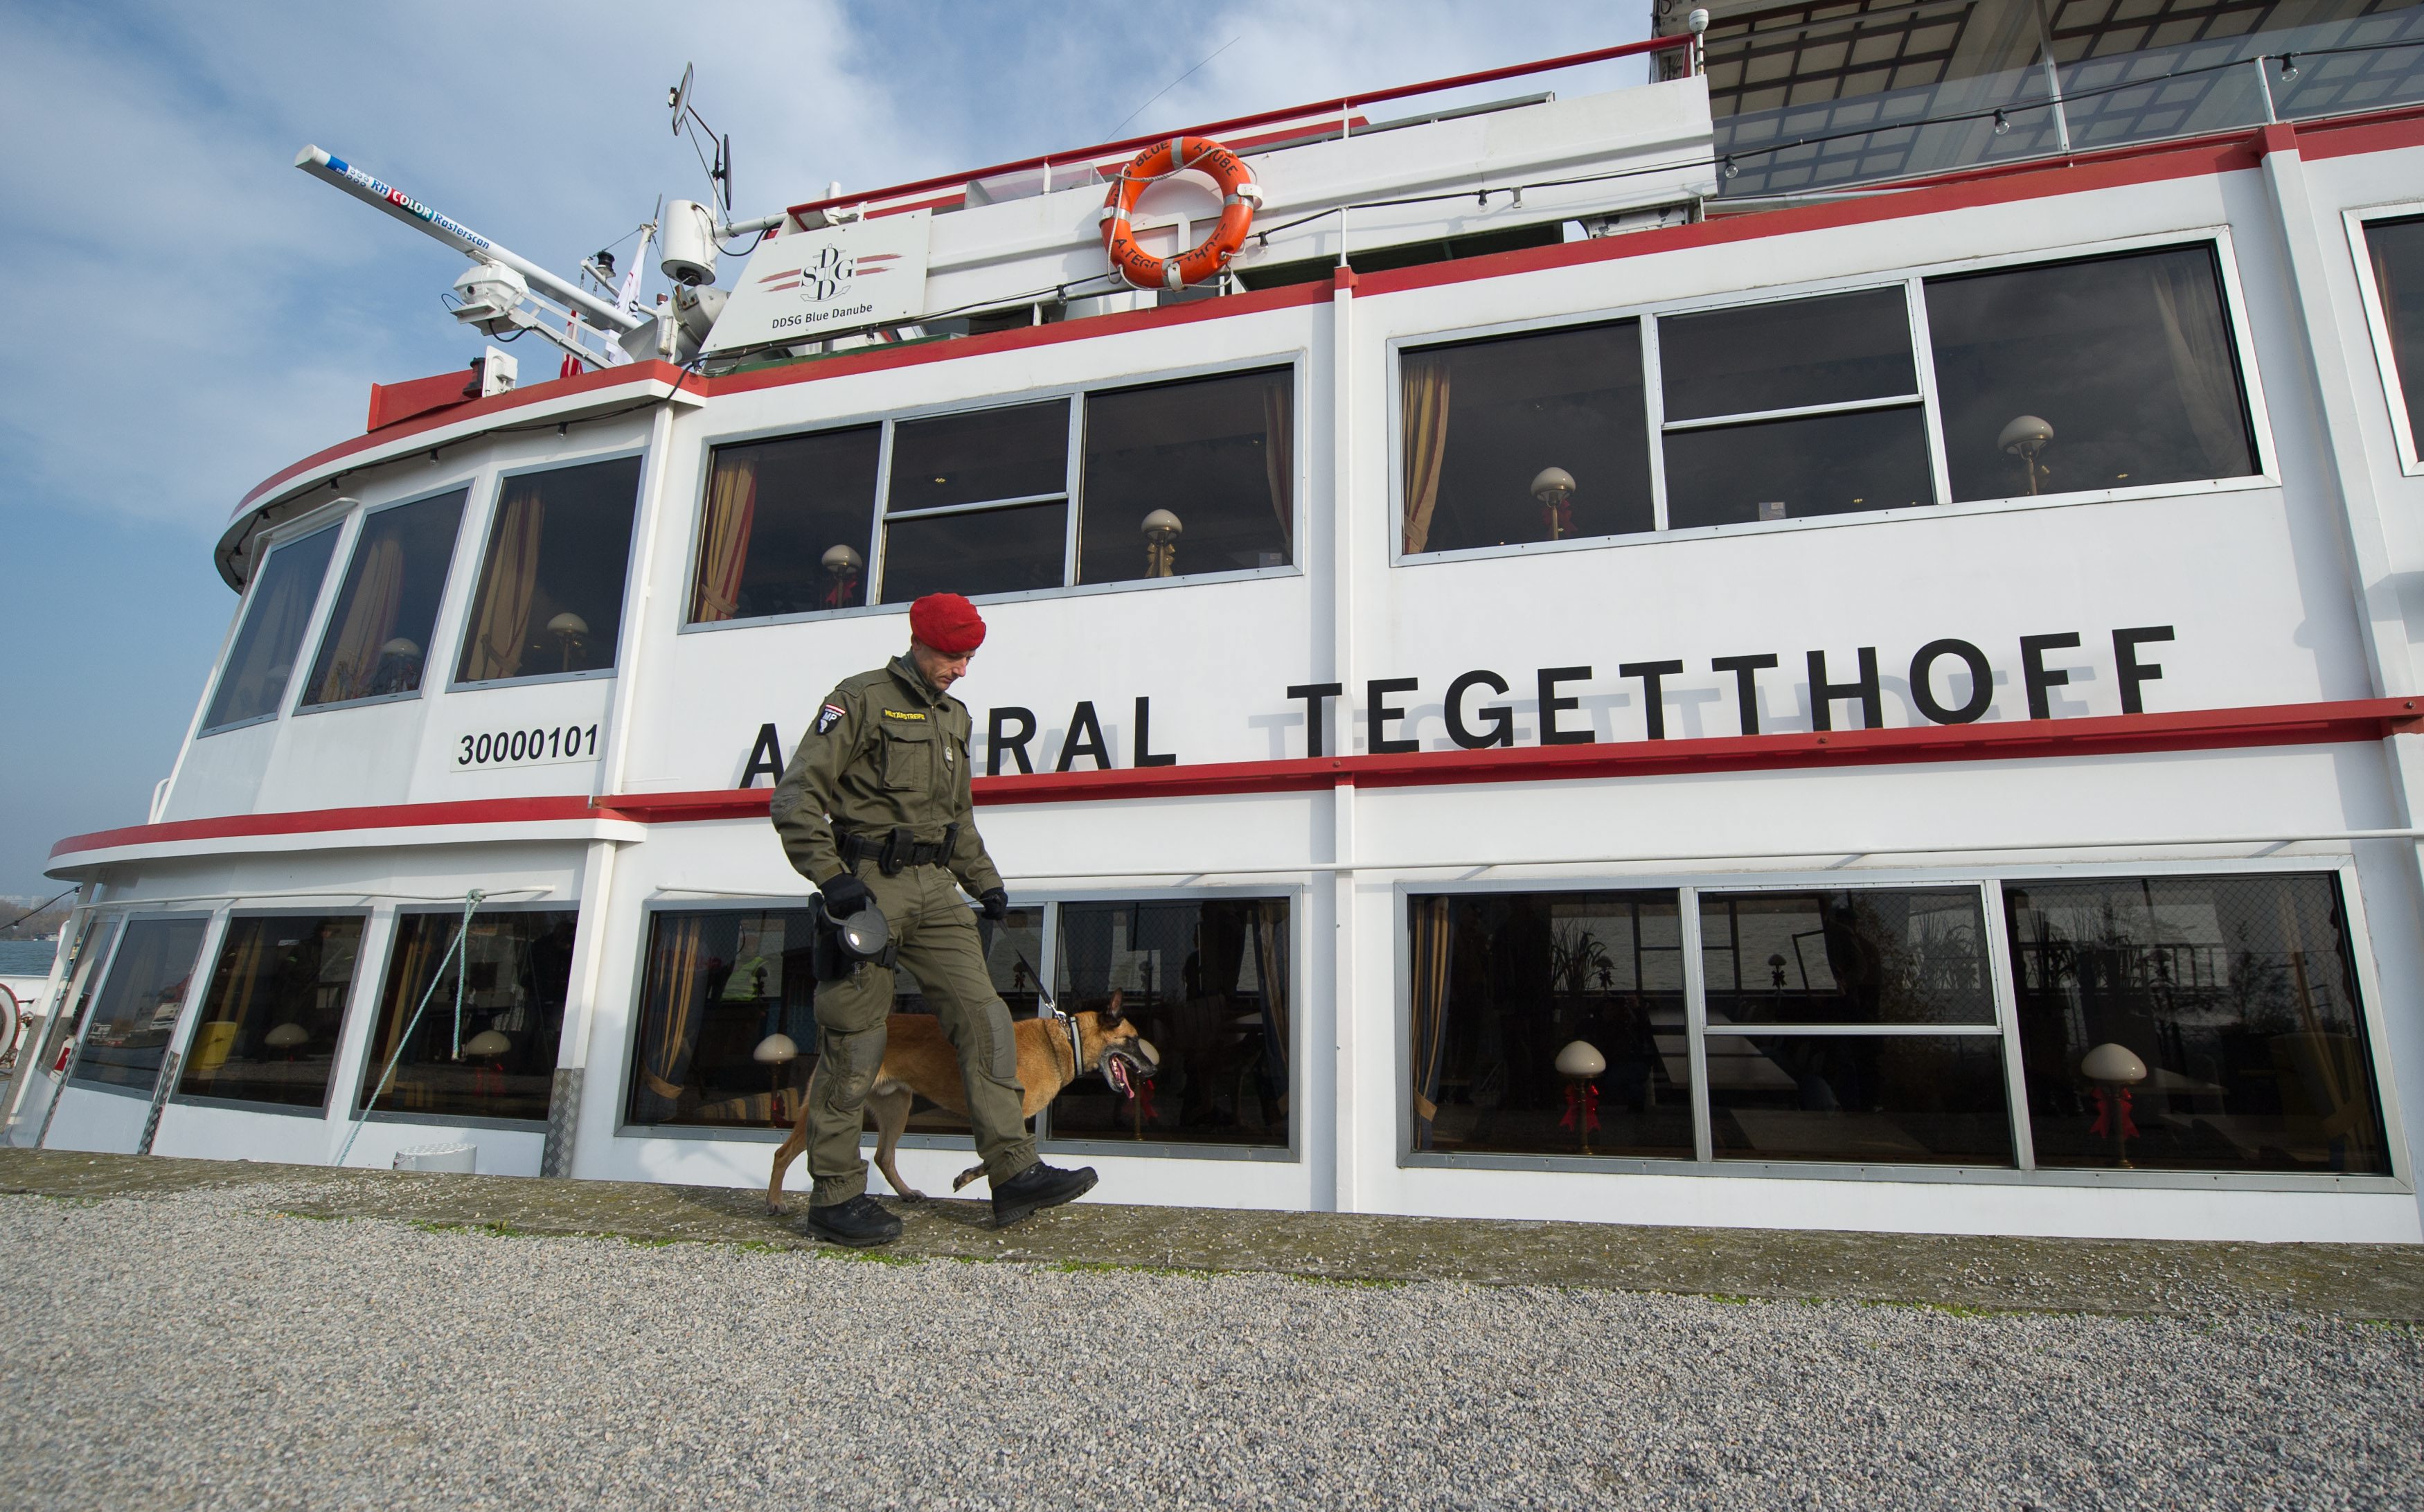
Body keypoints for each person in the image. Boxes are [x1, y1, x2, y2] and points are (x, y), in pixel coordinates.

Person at [769, 592, 1096, 1246]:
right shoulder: (857, 699)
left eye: (970, 656)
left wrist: (988, 884)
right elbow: (796, 796)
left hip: (937, 886)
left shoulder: (955, 716)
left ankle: (1013, 1173)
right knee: (857, 1036)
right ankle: (834, 1195)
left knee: (988, 1019)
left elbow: (959, 819)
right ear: (920, 642)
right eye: (953, 655)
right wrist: (833, 880)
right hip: (868, 883)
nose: (962, 668)